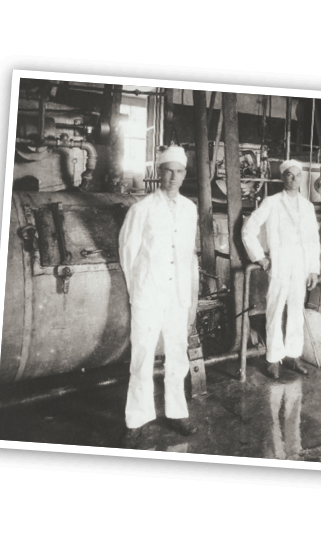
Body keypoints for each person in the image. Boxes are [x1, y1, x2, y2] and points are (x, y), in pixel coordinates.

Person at [118, 144, 200, 449]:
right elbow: (128, 254)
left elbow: (188, 257)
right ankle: (136, 420)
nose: (173, 177)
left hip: (177, 296)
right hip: (148, 294)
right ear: (158, 172)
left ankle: (177, 412)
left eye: (179, 172)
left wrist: (189, 295)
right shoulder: (141, 209)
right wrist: (138, 290)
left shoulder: (190, 209)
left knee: (178, 356)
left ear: (184, 174)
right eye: (168, 171)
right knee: (142, 357)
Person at [242, 160, 321, 379]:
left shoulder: (306, 206)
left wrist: (313, 269)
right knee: (275, 310)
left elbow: (314, 240)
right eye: (289, 175)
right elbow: (249, 229)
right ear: (282, 178)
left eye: (297, 175)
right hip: (279, 264)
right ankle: (273, 358)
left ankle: (293, 356)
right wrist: (260, 257)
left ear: (302, 178)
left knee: (296, 310)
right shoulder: (272, 202)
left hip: (300, 266)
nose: (294, 179)